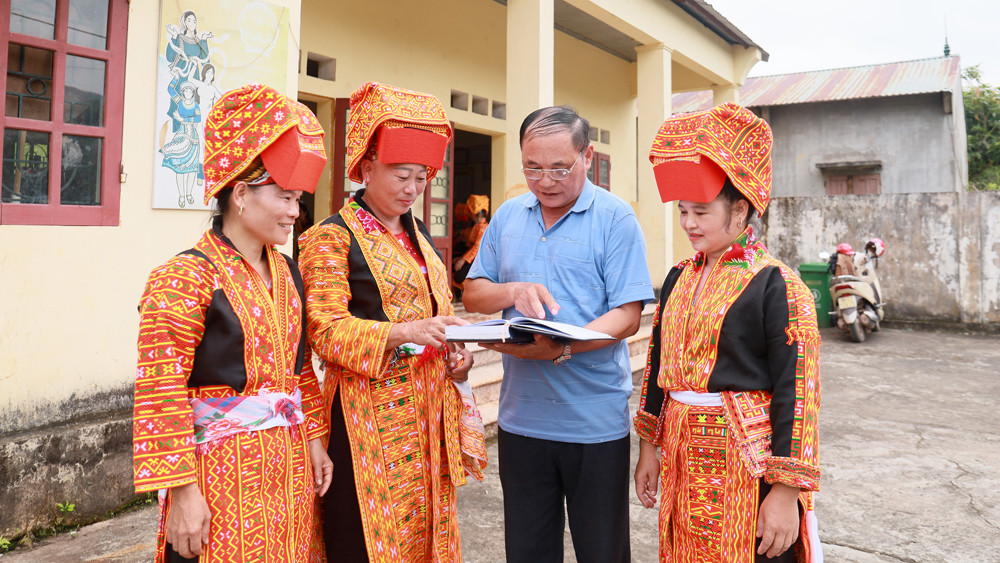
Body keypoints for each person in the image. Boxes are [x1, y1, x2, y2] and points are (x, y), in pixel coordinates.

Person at [133, 83, 333, 562]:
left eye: (299, 199)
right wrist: (182, 494)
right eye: (285, 197)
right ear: (241, 194)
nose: (295, 212)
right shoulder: (183, 278)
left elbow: (299, 369)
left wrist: (316, 441)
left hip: (286, 469)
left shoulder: (287, 272)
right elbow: (160, 390)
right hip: (217, 477)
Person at [297, 81, 488, 563]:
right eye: (401, 175)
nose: (412, 189)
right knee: (365, 541)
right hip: (367, 422)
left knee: (426, 536)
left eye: (422, 179)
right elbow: (320, 329)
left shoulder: (420, 236)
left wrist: (455, 356)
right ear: (365, 168)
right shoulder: (331, 238)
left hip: (427, 417)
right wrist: (402, 333)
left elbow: (436, 315)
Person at [462, 106, 653, 563]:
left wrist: (563, 345)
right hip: (520, 421)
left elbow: (627, 314)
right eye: (532, 168)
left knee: (601, 550)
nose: (544, 181)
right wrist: (512, 289)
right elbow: (472, 294)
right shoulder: (508, 217)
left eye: (559, 168)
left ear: (587, 156)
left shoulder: (615, 218)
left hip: (593, 423)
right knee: (527, 550)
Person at [633, 103, 822, 562]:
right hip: (680, 454)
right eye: (683, 211)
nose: (689, 224)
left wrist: (784, 491)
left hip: (746, 466)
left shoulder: (777, 284)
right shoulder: (679, 277)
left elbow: (797, 392)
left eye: (701, 211)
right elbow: (658, 367)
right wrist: (648, 447)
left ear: (741, 209)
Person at [451, 194, 489, 291]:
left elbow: (477, 247)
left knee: (459, 278)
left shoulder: (483, 227)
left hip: (478, 259)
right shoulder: (477, 226)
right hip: (472, 257)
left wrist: (463, 260)